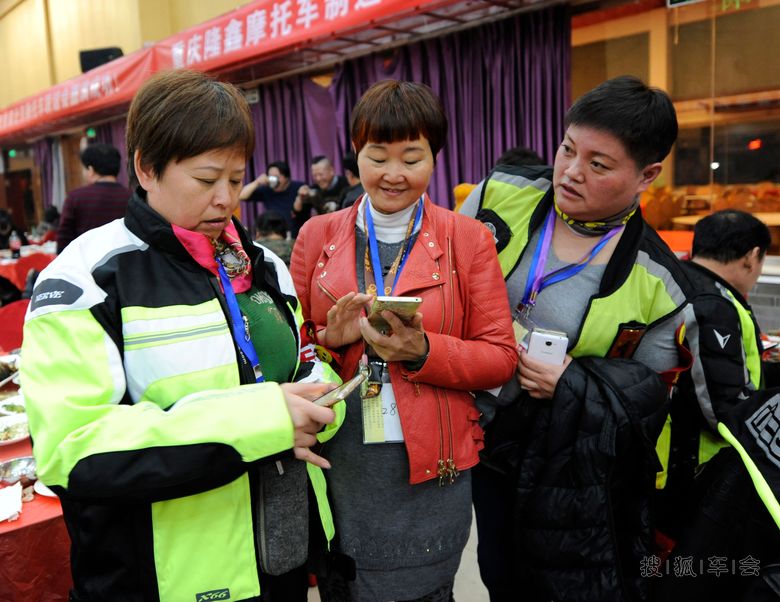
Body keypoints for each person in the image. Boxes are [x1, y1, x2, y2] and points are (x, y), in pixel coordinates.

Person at [21, 69, 344, 602]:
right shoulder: (87, 279)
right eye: (206, 179)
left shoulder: (261, 264)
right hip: (160, 580)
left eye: (236, 180)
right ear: (146, 168)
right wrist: (264, 419)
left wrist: (325, 402)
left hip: (280, 557)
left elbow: (302, 363)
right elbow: (72, 448)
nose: (226, 200)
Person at [460, 75, 690, 601]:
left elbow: (646, 404)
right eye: (567, 148)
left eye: (598, 164)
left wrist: (572, 384)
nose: (569, 172)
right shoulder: (498, 195)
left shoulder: (659, 283)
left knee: (526, 579)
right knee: (489, 567)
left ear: (647, 174)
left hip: (551, 462)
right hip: (461, 427)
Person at [290, 80, 517, 602]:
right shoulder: (317, 236)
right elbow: (294, 350)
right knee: (344, 585)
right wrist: (330, 339)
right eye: (378, 157)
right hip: (341, 460)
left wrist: (423, 352)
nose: (394, 174)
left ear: (435, 157)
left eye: (412, 158)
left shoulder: (468, 239)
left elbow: (501, 357)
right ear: (356, 154)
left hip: (432, 467)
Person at [654, 209, 780, 600]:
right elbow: (722, 407)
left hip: (664, 456)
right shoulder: (712, 304)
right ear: (752, 256)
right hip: (697, 466)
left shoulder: (679, 279)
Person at [56, 142, 131, 253]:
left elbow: (64, 239)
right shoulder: (131, 197)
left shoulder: (75, 198)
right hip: (125, 260)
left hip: (86, 262)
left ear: (91, 170)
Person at [239, 160, 303, 236]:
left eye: (276, 176)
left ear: (286, 177)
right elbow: (241, 195)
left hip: (296, 235)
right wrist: (257, 182)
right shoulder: (267, 189)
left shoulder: (298, 188)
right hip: (273, 235)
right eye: (270, 176)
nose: (272, 179)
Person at [292, 155, 348, 230]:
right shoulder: (313, 190)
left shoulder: (346, 184)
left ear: (331, 171)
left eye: (321, 174)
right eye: (315, 175)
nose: (318, 179)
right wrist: (299, 198)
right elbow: (298, 215)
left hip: (346, 227)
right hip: (326, 230)